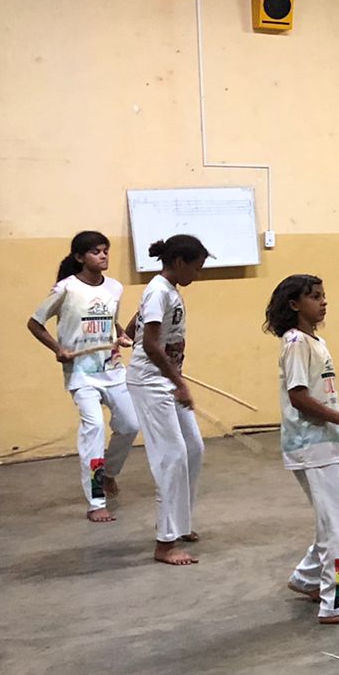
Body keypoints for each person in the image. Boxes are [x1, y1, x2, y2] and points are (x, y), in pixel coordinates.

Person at [265, 274, 339, 624]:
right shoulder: (295, 342)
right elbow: (299, 398)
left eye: (323, 295)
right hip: (309, 447)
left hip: (327, 443)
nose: (323, 301)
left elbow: (322, 396)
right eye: (314, 297)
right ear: (294, 305)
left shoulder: (315, 341)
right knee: (338, 524)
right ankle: (337, 604)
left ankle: (307, 577)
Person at [26, 230, 139, 522]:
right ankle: (96, 500)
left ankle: (109, 473)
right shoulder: (65, 288)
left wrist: (122, 336)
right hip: (81, 374)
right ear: (79, 257)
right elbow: (35, 323)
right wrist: (58, 348)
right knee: (94, 429)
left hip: (112, 369)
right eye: (95, 251)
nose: (103, 256)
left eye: (105, 250)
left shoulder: (114, 288)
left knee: (130, 424)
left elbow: (112, 322)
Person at [127, 233, 210, 566]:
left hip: (166, 380)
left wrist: (125, 334)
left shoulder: (166, 291)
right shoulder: (158, 291)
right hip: (151, 382)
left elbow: (140, 322)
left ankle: (180, 522)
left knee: (194, 448)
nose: (197, 275)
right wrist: (179, 383)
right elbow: (149, 344)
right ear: (178, 262)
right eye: (196, 268)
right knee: (171, 457)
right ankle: (165, 543)